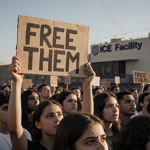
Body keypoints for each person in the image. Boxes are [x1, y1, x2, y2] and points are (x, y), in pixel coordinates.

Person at [7, 56, 95, 150]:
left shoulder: (71, 146)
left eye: (59, 114)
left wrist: (87, 84)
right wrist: (17, 81)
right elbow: (14, 129)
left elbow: (86, 122)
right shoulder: (29, 147)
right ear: (38, 124)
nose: (57, 119)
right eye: (49, 115)